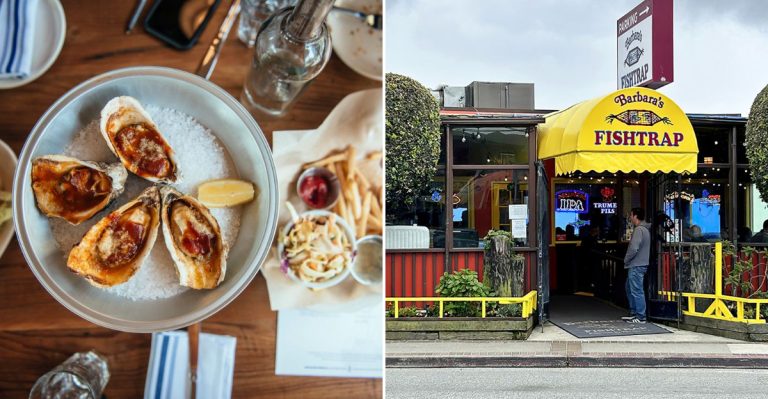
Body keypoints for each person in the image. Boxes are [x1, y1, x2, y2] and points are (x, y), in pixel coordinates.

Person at [623, 207, 651, 324]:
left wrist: (626, 259)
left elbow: (634, 248)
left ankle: (640, 316)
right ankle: (634, 313)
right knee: (630, 288)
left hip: (636, 264)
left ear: (635, 216)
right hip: (640, 263)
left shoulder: (639, 230)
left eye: (631, 215)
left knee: (636, 290)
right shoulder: (645, 229)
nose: (630, 218)